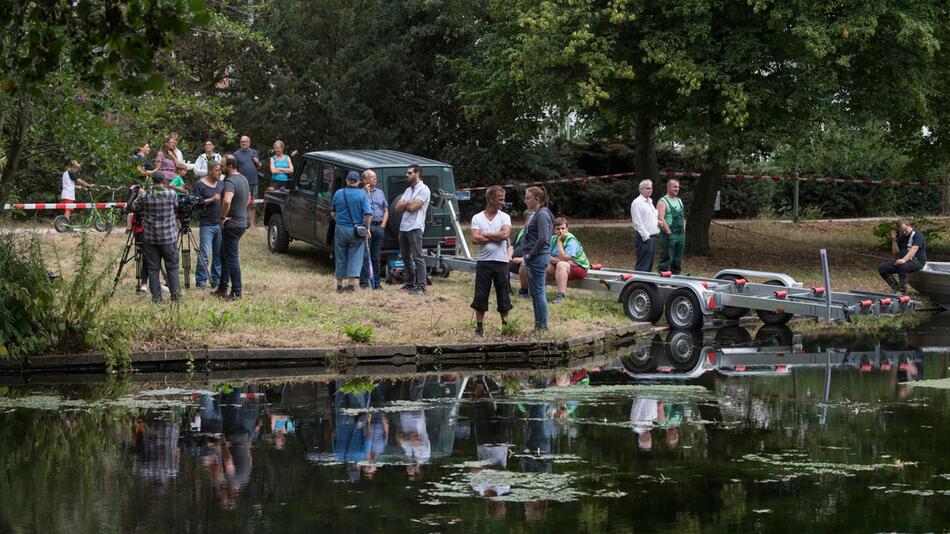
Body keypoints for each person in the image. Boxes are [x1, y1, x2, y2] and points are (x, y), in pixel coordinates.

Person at [130, 171, 180, 303]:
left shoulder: (145, 195)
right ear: (164, 181)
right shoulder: (171, 194)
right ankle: (175, 295)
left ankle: (156, 298)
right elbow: (176, 207)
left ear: (152, 181)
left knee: (153, 268)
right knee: (172, 266)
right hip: (168, 237)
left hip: (150, 237)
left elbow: (134, 206)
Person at [470, 185, 513, 337]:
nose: (503, 202)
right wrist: (497, 235)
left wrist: (486, 234)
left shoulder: (504, 217)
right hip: (484, 262)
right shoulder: (477, 217)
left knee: (503, 295)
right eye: (500, 199)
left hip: (501, 262)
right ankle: (479, 327)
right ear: (490, 199)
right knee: (481, 295)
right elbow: (475, 239)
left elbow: (505, 235)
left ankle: (505, 325)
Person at [331, 170, 373, 292]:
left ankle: (339, 285)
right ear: (358, 182)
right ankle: (350, 286)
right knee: (355, 256)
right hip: (356, 230)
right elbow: (368, 214)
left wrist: (340, 221)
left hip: (340, 229)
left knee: (340, 256)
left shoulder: (338, 193)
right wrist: (367, 228)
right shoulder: (362, 194)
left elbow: (333, 213)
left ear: (347, 181)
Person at [520, 186, 555, 331]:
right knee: (534, 292)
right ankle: (538, 325)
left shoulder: (542, 215)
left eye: (528, 198)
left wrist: (531, 254)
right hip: (534, 258)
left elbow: (543, 239)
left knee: (539, 291)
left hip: (538, 258)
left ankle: (543, 326)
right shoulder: (537, 214)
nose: (525, 201)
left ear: (537, 199)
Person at [216, 155, 250, 300]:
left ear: (230, 167)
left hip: (232, 224)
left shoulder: (230, 181)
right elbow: (248, 198)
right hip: (242, 221)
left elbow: (227, 201)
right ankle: (222, 288)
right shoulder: (243, 179)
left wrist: (222, 218)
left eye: (222, 165)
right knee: (224, 255)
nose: (220, 168)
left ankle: (236, 292)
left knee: (231, 258)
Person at [394, 164, 431, 294]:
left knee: (417, 257)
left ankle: (421, 286)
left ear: (417, 173)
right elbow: (397, 208)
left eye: (409, 173)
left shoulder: (424, 190)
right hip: (404, 227)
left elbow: (412, 207)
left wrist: (406, 203)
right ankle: (410, 284)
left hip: (415, 227)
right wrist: (407, 203)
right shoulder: (408, 190)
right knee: (405, 257)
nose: (407, 175)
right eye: (407, 173)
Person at [194, 160, 224, 289]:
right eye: (217, 170)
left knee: (218, 254)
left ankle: (216, 279)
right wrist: (211, 199)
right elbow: (196, 202)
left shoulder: (221, 184)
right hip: (206, 223)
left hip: (219, 223)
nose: (219, 172)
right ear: (210, 170)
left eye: (220, 170)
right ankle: (201, 281)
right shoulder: (200, 185)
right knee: (205, 253)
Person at [545, 217, 591, 304]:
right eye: (558, 229)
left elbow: (563, 258)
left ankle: (561, 296)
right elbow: (545, 255)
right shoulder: (552, 239)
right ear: (554, 230)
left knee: (561, 264)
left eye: (563, 228)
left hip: (580, 267)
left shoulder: (571, 240)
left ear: (567, 229)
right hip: (563, 266)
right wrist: (557, 260)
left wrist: (559, 242)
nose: (561, 231)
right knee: (543, 263)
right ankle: (539, 292)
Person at [878, 219, 927, 293]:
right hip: (903, 261)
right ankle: (896, 288)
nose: (904, 232)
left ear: (908, 225)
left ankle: (902, 291)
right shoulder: (902, 237)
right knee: (882, 268)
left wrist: (903, 260)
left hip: (917, 261)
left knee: (902, 267)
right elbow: (896, 253)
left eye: (905, 230)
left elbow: (914, 248)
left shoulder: (917, 234)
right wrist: (894, 240)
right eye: (902, 231)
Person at [359, 169, 389, 289]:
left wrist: (383, 225)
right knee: (365, 255)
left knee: (376, 256)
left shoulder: (380, 192)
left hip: (378, 226)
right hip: (367, 227)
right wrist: (367, 193)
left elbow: (386, 210)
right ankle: (363, 283)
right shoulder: (360, 193)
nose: (374, 179)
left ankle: (376, 283)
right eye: (371, 177)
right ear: (365, 180)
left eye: (375, 177)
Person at [657, 178, 686, 274]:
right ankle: (663, 280)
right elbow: (661, 219)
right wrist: (668, 232)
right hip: (669, 234)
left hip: (680, 234)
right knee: (667, 259)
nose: (677, 189)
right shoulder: (663, 201)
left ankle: (676, 280)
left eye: (678, 187)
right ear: (668, 187)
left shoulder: (679, 201)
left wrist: (683, 230)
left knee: (677, 259)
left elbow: (683, 217)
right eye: (674, 186)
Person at [630, 179, 659, 272]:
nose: (650, 190)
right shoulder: (637, 203)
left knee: (649, 265)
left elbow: (651, 218)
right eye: (647, 188)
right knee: (643, 265)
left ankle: (645, 285)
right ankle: (637, 284)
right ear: (641, 189)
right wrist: (646, 237)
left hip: (653, 237)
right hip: (645, 238)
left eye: (651, 188)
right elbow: (638, 222)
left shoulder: (650, 202)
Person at [233, 135, 261, 227]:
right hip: (242, 183)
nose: (243, 143)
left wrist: (258, 162)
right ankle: (243, 223)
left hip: (254, 181)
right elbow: (233, 169)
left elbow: (259, 166)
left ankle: (252, 224)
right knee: (242, 203)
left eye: (245, 141)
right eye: (242, 141)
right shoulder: (236, 154)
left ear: (249, 142)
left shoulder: (254, 152)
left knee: (253, 204)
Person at [508, 209, 535, 298]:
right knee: (501, 263)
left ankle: (524, 291)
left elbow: (536, 252)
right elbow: (512, 246)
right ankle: (507, 290)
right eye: (528, 220)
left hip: (527, 262)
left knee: (524, 264)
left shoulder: (537, 234)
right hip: (513, 261)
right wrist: (509, 256)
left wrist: (521, 259)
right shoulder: (522, 231)